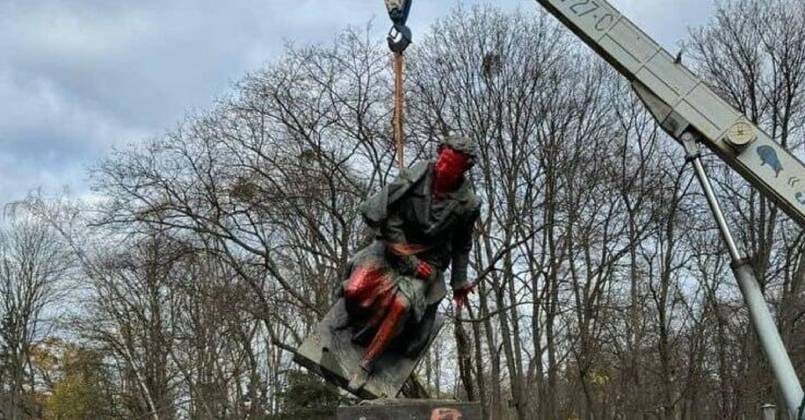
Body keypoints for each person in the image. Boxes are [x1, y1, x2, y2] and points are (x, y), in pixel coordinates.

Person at [341, 135, 481, 391]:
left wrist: (459, 281)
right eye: (442, 160)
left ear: (462, 170)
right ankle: (359, 324)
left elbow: (462, 244)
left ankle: (367, 364)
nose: (442, 167)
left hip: (427, 263)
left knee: (401, 305)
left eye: (450, 165)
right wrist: (408, 260)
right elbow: (389, 221)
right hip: (392, 248)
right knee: (354, 290)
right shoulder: (414, 177)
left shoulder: (468, 204)